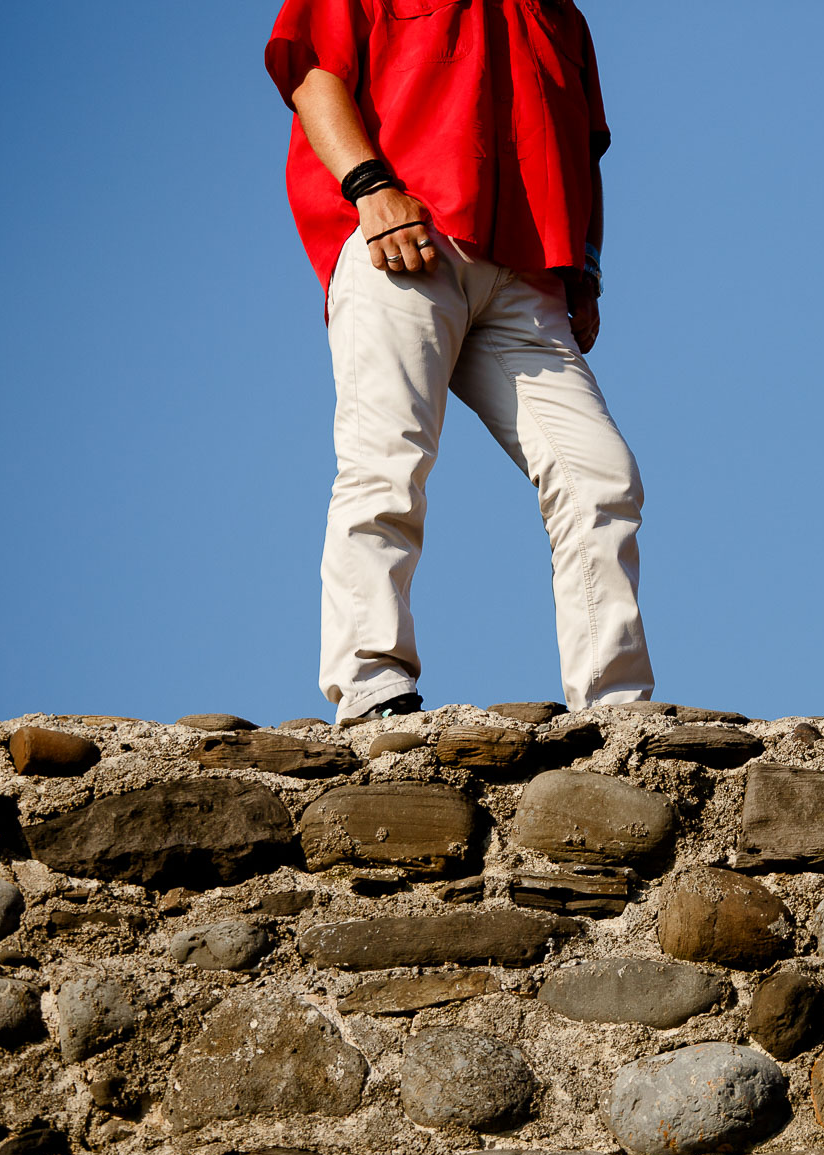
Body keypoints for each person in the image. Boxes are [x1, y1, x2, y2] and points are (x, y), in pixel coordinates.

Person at [265, 0, 653, 723]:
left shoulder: (560, 15)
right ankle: (372, 686)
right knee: (386, 459)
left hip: (530, 273)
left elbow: (585, 148)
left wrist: (587, 272)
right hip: (409, 239)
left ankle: (613, 708)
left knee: (600, 476)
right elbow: (314, 74)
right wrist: (371, 189)